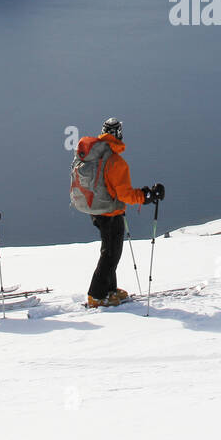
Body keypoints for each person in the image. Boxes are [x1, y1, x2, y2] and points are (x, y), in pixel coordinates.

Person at [74, 118, 164, 308]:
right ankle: (96, 296)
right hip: (110, 213)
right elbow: (125, 195)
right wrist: (147, 196)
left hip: (96, 210)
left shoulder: (96, 155)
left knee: (109, 250)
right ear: (120, 135)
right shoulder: (116, 162)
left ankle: (109, 290)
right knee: (111, 255)